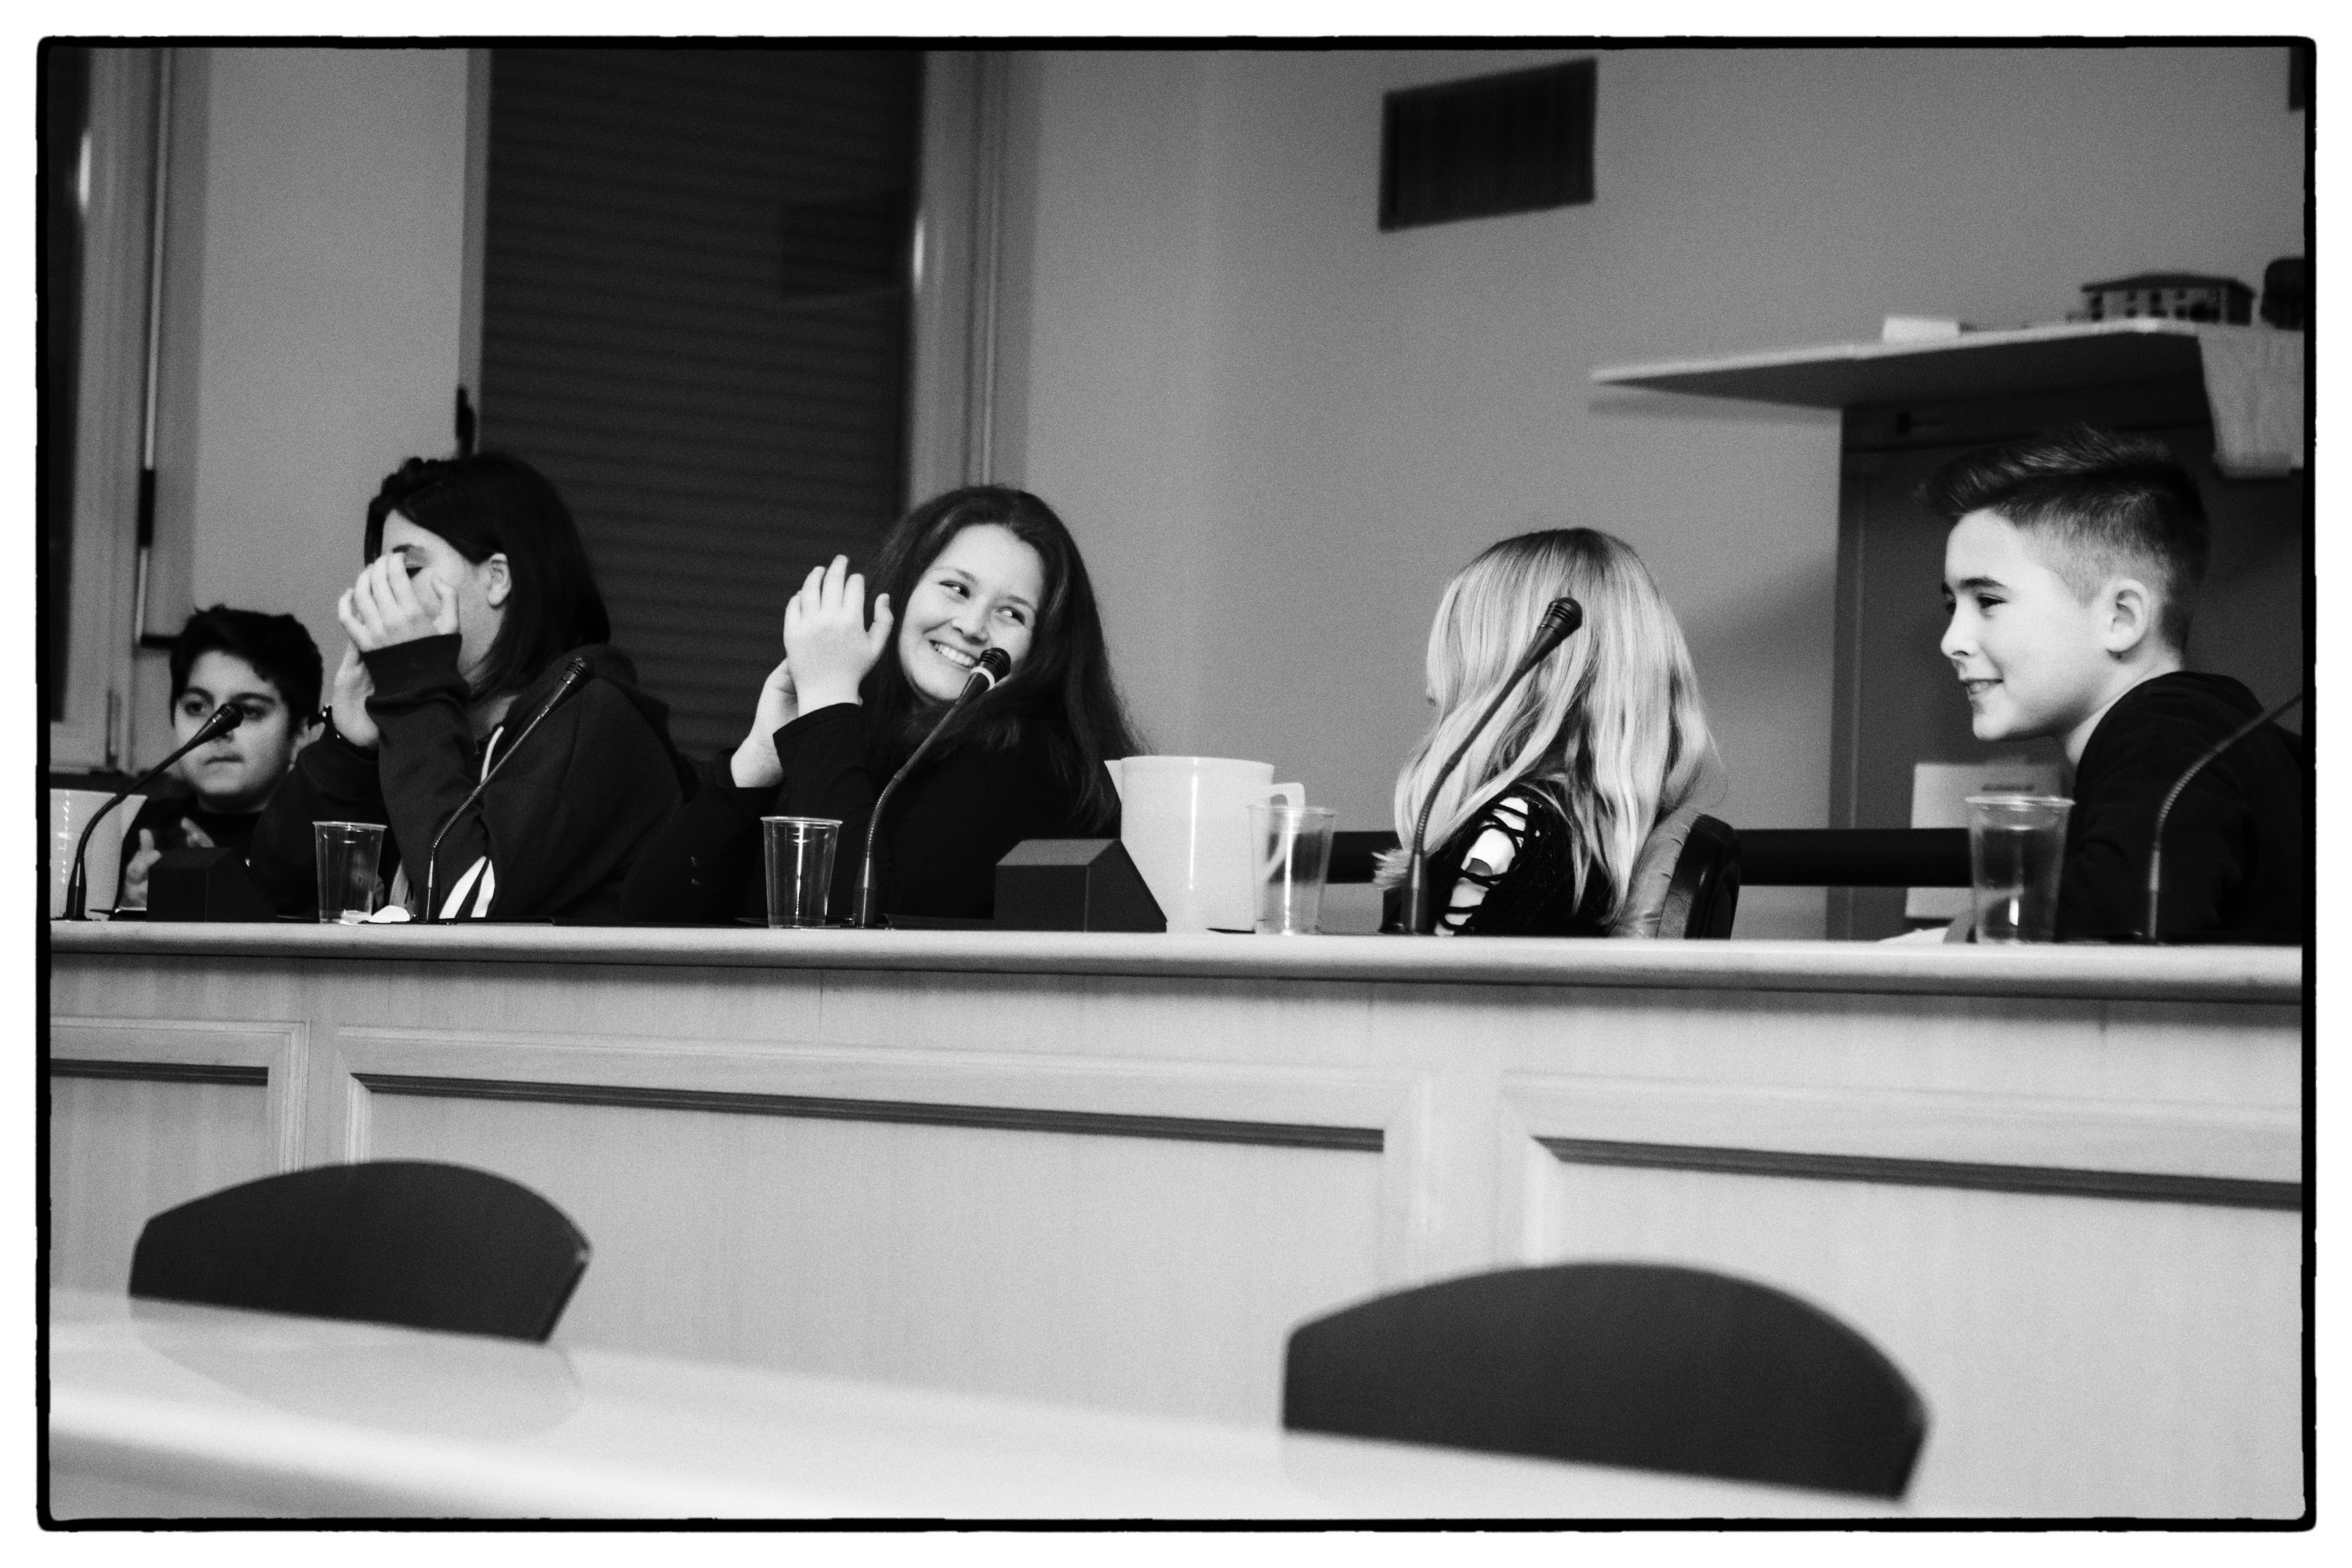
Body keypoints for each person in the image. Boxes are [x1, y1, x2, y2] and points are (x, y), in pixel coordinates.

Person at [621, 485, 1140, 924]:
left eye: (1011, 614)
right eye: (957, 589)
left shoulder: (1030, 759)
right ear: (903, 591)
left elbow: (863, 924)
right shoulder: (851, 736)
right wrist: (758, 757)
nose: (972, 626)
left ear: (1044, 651)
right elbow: (649, 916)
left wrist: (827, 702)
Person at [246, 452, 692, 921]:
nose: (379, 598)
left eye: (406, 571)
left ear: (497, 578)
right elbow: (269, 902)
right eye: (376, 577)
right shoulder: (426, 727)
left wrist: (414, 686)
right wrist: (347, 750)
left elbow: (466, 906)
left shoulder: (595, 718)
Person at [1926, 426, 2307, 944]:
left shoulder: (2169, 737)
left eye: (1988, 601)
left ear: (2121, 618)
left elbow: (2113, 925)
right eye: (1952, 606)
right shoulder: (2207, 728)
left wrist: (1964, 934)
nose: (1952, 641)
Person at [1378, 528, 1718, 936]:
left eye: (1458, 645)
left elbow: (1414, 980)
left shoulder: (1513, 832)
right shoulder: (1583, 835)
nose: (1432, 690)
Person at [117, 607, 324, 910]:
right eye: (197, 707)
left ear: (300, 734)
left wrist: (229, 895)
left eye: (249, 711)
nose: (218, 730)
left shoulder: (321, 842)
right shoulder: (146, 828)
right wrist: (129, 910)